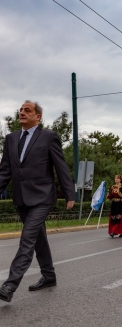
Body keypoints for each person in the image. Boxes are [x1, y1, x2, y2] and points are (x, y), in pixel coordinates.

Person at [0, 100, 75, 303]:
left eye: (27, 110)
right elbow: (5, 172)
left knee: (27, 238)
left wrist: (70, 194)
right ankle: (49, 276)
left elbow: (60, 166)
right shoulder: (11, 139)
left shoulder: (48, 137)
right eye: (21, 110)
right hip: (21, 198)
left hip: (42, 197)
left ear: (38, 117)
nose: (22, 112)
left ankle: (9, 285)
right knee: (38, 237)